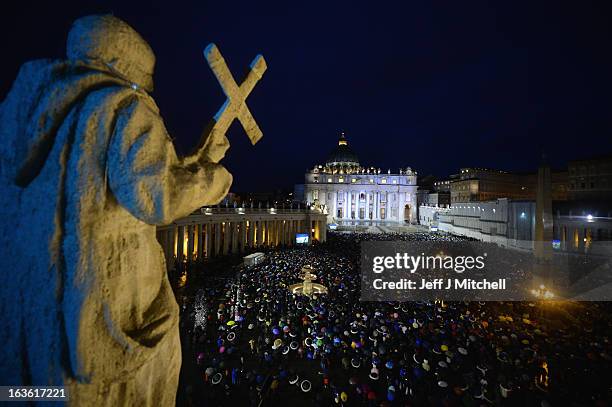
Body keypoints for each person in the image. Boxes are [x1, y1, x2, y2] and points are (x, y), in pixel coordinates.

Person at [0, 14, 232, 406]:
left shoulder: (21, 114)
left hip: (32, 302)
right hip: (105, 298)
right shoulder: (123, 104)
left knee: (38, 388)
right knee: (132, 379)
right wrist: (215, 180)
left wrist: (195, 160)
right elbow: (156, 197)